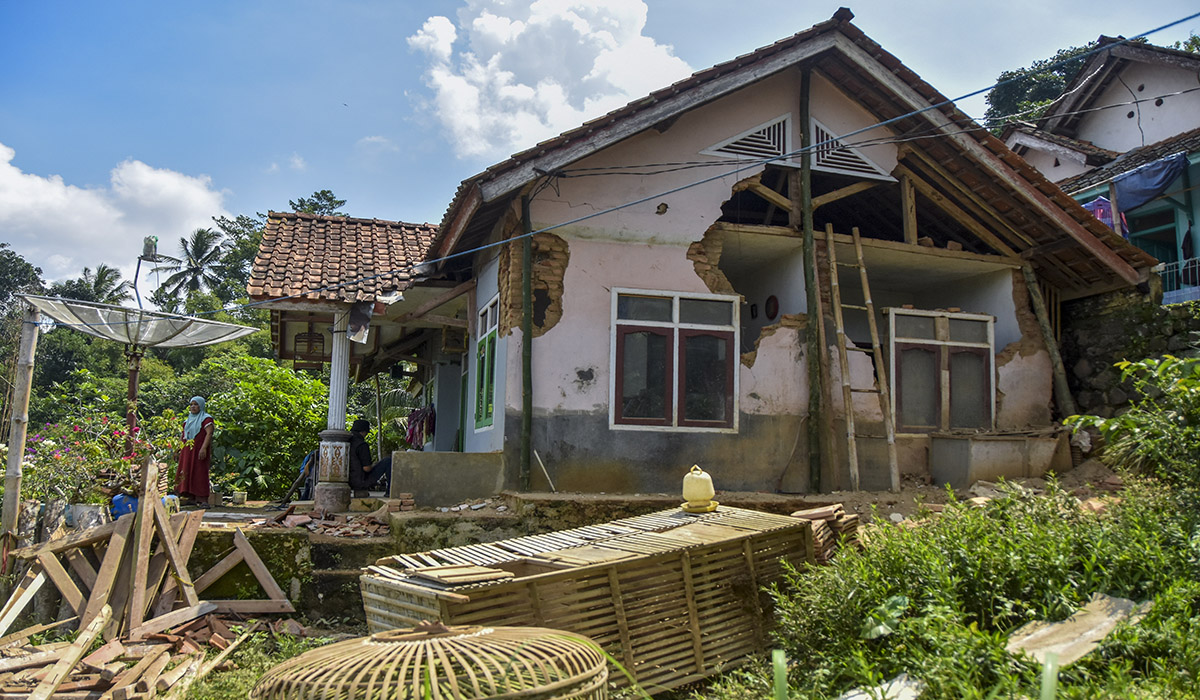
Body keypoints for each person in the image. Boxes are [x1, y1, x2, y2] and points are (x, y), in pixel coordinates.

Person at [177, 396, 214, 506]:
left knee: (199, 471)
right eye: (191, 404)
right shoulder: (187, 420)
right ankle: (189, 496)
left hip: (199, 449)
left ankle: (202, 499)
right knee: (186, 470)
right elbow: (182, 435)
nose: (193, 407)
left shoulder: (206, 419)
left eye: (196, 404)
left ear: (201, 405)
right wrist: (178, 449)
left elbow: (209, 433)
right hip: (187, 450)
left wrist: (203, 448)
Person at [348, 418, 390, 497]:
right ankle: (389, 492)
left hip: (348, 481)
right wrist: (374, 465)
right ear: (363, 432)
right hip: (360, 481)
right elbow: (367, 468)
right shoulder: (362, 445)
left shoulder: (346, 442)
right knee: (388, 461)